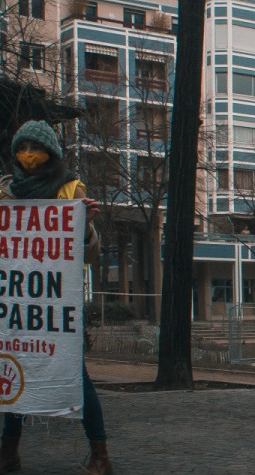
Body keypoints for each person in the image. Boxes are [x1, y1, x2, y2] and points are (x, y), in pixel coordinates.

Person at [0, 120, 113, 474]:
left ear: (52, 153)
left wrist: (87, 225)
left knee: (76, 374)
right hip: (17, 300)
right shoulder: (5, 192)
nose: (29, 155)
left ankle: (100, 456)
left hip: (57, 305)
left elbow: (90, 255)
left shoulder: (72, 190)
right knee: (14, 367)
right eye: (24, 147)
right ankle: (9, 450)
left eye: (37, 148)